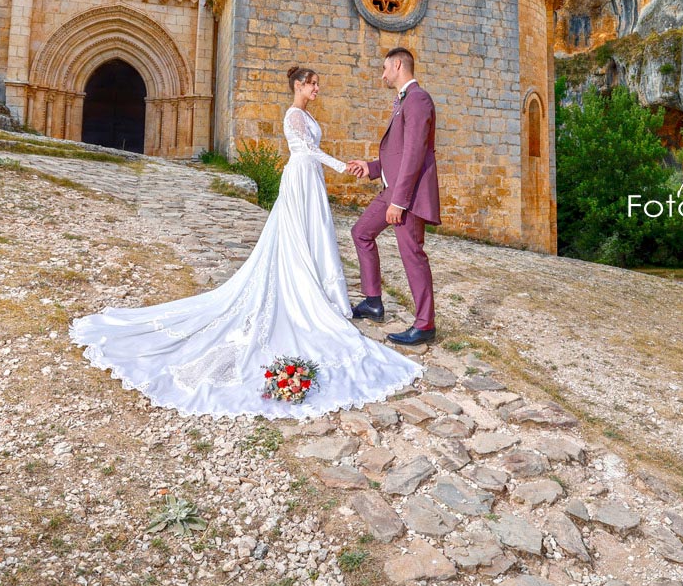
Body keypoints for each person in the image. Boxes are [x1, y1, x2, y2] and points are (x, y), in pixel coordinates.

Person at [70, 65, 421, 418]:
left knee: (313, 236)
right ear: (298, 85)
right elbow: (306, 151)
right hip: (301, 177)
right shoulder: (292, 115)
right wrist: (343, 166)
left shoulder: (306, 114)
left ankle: (320, 293)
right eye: (313, 84)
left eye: (317, 84)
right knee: (296, 237)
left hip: (310, 180)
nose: (317, 89)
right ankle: (305, 294)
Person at [346, 47, 440, 345]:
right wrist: (371, 167)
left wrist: (398, 202)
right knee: (361, 233)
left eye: (385, 68)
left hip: (406, 196)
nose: (383, 74)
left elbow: (414, 153)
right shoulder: (402, 101)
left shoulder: (418, 99)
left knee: (412, 255)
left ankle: (425, 324)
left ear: (398, 65)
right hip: (392, 189)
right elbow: (398, 153)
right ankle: (373, 302)